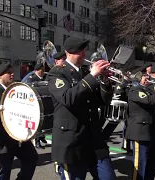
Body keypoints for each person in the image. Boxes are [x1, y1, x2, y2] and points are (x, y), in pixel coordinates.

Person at [47, 37, 115, 179]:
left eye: (84, 51)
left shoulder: (85, 73)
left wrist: (105, 81)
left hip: (93, 138)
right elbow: (68, 98)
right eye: (80, 52)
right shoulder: (57, 73)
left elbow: (102, 101)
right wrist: (92, 76)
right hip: (72, 140)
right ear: (69, 53)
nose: (84, 55)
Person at [125, 65, 155, 180]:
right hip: (140, 132)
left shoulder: (146, 89)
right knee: (140, 165)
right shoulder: (134, 90)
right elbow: (150, 101)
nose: (147, 78)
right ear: (137, 77)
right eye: (144, 76)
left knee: (154, 159)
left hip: (151, 131)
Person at [25, 62, 48, 149]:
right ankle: (37, 141)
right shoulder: (31, 78)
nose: (42, 71)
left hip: (44, 101)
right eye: (40, 70)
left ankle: (42, 137)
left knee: (44, 121)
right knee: (38, 122)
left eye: (43, 69)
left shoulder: (45, 78)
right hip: (35, 103)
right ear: (36, 71)